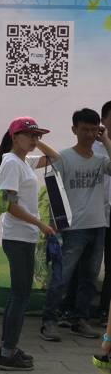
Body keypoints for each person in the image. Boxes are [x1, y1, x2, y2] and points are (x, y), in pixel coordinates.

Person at [0, 116, 59, 371]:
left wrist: (37, 142)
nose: (34, 139)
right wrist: (40, 224)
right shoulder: (11, 163)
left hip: (24, 237)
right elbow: (9, 205)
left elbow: (56, 158)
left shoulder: (24, 162)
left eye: (37, 135)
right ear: (14, 137)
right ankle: (8, 353)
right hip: (18, 237)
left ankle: (6, 347)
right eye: (30, 135)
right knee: (21, 296)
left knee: (17, 295)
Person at [40, 109, 111, 342]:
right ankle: (49, 321)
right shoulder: (62, 158)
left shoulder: (101, 160)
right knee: (62, 277)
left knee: (89, 278)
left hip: (98, 225)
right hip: (71, 228)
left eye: (94, 130)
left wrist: (106, 140)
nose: (89, 134)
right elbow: (53, 190)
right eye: (84, 129)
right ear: (74, 130)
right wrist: (55, 226)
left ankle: (80, 320)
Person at [97, 101, 111, 322]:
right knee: (85, 264)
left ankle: (105, 312)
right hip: (94, 212)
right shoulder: (92, 147)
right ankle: (71, 310)